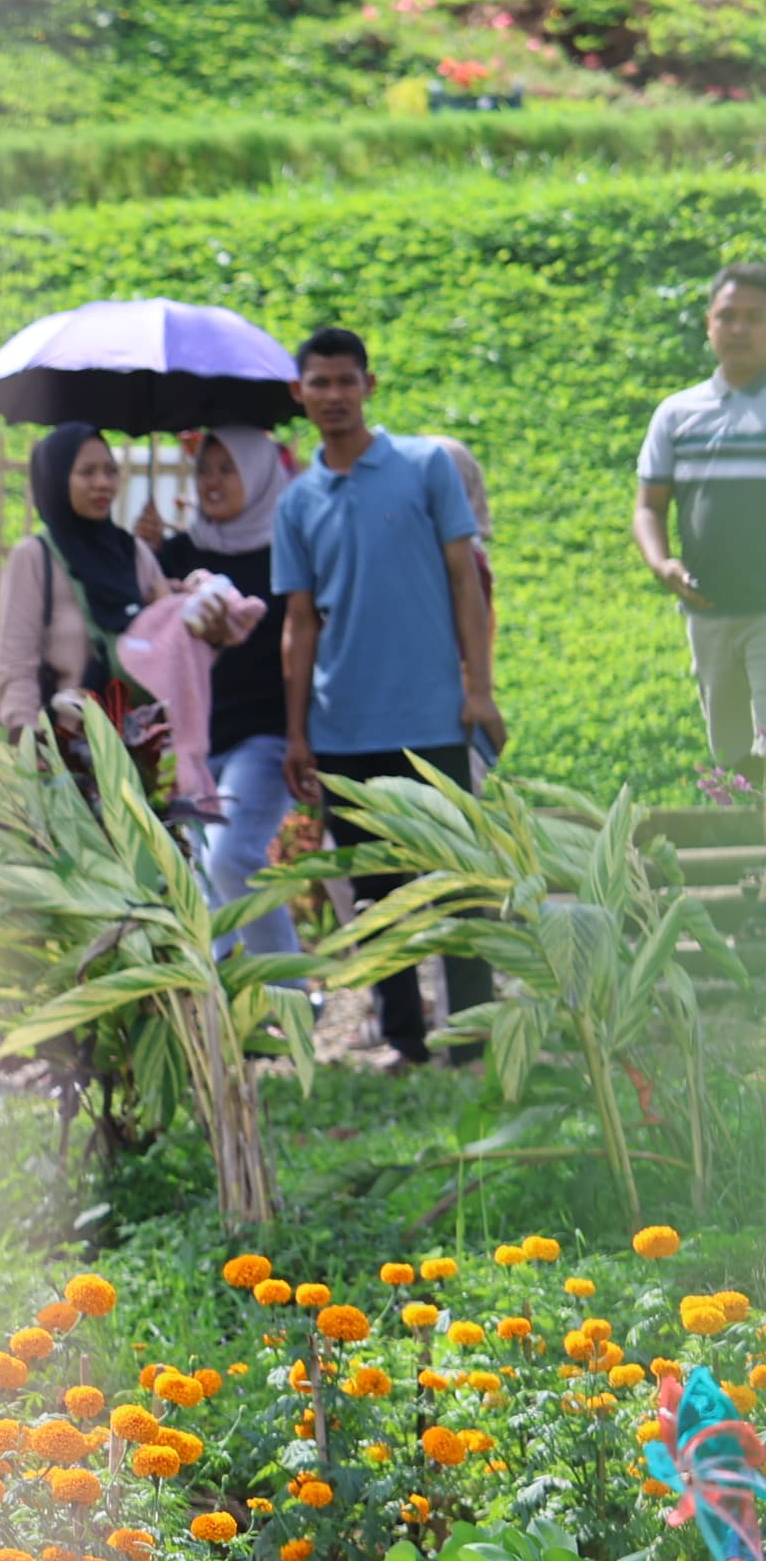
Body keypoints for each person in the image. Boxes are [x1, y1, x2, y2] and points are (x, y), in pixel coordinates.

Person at [274, 325, 501, 1069]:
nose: (334, 396)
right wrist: (298, 733)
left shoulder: (425, 466)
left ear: (369, 386)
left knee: (458, 885)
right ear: (298, 394)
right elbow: (300, 622)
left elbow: (466, 580)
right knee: (376, 891)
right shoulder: (298, 501)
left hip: (434, 716)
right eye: (320, 383)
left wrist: (480, 688)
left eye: (347, 381)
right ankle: (404, 1039)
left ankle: (472, 1036)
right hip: (343, 731)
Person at [148, 427, 303, 958]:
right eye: (206, 469)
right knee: (201, 877)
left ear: (259, 474)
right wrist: (145, 561)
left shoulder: (289, 549)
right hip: (195, 739)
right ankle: (236, 1012)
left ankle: (287, 992)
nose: (213, 481)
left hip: (266, 735)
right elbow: (147, 630)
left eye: (228, 468)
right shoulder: (178, 550)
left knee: (231, 857)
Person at [636, 259, 766, 775]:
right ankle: (747, 853)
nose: (739, 328)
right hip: (707, 609)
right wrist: (660, 562)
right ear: (709, 322)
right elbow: (649, 505)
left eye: (755, 317)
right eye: (728, 315)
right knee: (731, 755)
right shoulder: (678, 414)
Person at [0, 422, 168, 749]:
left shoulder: (134, 553)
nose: (103, 483)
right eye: (87, 472)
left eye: (110, 471)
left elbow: (169, 644)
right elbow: (16, 662)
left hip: (141, 750)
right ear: (56, 479)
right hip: (66, 755)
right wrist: (29, 744)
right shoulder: (35, 557)